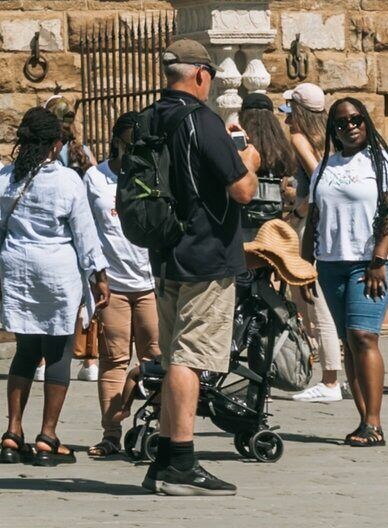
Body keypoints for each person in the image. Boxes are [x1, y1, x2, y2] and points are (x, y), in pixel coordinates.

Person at [135, 40, 256, 496]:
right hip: (205, 255)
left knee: (172, 358)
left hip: (164, 253)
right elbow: (242, 190)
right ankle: (183, 462)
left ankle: (164, 461)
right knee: (190, 357)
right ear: (202, 75)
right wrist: (250, 160)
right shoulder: (201, 121)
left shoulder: (150, 118)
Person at [0, 104, 105, 463]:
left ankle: (12, 433)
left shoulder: (2, 179)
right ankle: (47, 436)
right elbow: (85, 235)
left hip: (17, 268)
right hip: (58, 270)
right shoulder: (67, 180)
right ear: (54, 144)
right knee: (59, 351)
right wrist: (99, 276)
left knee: (26, 351)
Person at [301, 95, 388, 444]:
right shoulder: (324, 168)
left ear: (367, 121)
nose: (350, 126)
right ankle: (363, 419)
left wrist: (378, 261)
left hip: (369, 264)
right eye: (342, 122)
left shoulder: (387, 162)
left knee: (364, 336)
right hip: (331, 264)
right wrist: (303, 268)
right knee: (348, 341)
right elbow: (314, 219)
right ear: (333, 129)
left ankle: (374, 423)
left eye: (356, 119)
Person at [86, 112, 161, 446]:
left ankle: (154, 430)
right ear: (117, 141)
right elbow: (86, 230)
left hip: (151, 283)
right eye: (130, 145)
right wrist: (92, 274)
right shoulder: (94, 178)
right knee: (115, 359)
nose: (134, 152)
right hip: (111, 283)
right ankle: (111, 433)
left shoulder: (153, 175)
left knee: (155, 360)